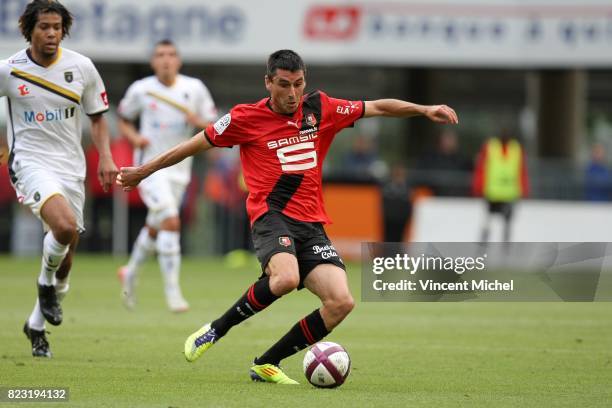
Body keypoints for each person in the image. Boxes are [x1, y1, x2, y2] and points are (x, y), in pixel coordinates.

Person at [117, 49, 458, 384]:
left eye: (298, 83)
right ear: (268, 82)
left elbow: (378, 107)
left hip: (311, 224)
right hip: (271, 215)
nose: (292, 93)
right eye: (283, 84)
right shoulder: (243, 118)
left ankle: (267, 363)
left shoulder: (321, 107)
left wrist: (425, 109)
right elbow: (192, 145)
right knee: (285, 279)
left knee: (341, 302)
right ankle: (214, 331)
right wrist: (143, 171)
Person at [0, 0, 117, 357]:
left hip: (71, 167)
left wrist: (106, 157)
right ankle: (43, 286)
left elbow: (97, 117)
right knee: (63, 228)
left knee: (66, 259)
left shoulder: (82, 67)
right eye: (44, 27)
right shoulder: (9, 70)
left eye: (57, 27)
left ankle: (36, 324)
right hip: (30, 162)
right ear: (28, 29)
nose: (51, 34)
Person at [116, 39, 217, 312]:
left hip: (179, 170)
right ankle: (173, 292)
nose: (166, 60)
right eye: (160, 55)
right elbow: (123, 117)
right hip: (148, 169)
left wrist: (200, 122)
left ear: (178, 61)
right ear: (153, 62)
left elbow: (214, 123)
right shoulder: (142, 89)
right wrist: (135, 137)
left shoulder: (194, 88)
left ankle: (131, 271)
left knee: (156, 225)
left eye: (171, 55)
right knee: (171, 221)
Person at [472, 129, 529, 242]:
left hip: (509, 194)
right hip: (492, 193)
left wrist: (524, 189)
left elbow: (522, 170)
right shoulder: (490, 147)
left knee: (507, 224)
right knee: (487, 222)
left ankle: (504, 249)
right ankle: (484, 245)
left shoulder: (516, 149)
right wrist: (478, 186)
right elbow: (481, 168)